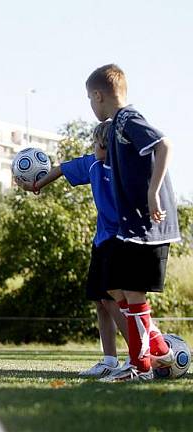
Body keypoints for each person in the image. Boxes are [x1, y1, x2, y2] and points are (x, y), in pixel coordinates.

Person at [86, 64, 180, 382]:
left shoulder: (127, 118)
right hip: (132, 228)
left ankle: (140, 368)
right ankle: (161, 352)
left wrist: (153, 193)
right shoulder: (113, 129)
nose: (91, 104)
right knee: (114, 287)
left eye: (90, 98)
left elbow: (164, 144)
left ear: (98, 95)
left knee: (132, 293)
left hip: (147, 227)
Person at [16, 120, 129, 377]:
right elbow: (60, 170)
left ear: (107, 145)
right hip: (101, 242)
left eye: (96, 144)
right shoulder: (91, 163)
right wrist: (35, 186)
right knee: (101, 302)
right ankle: (109, 359)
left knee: (113, 301)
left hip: (120, 241)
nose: (93, 147)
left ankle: (137, 356)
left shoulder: (126, 168)